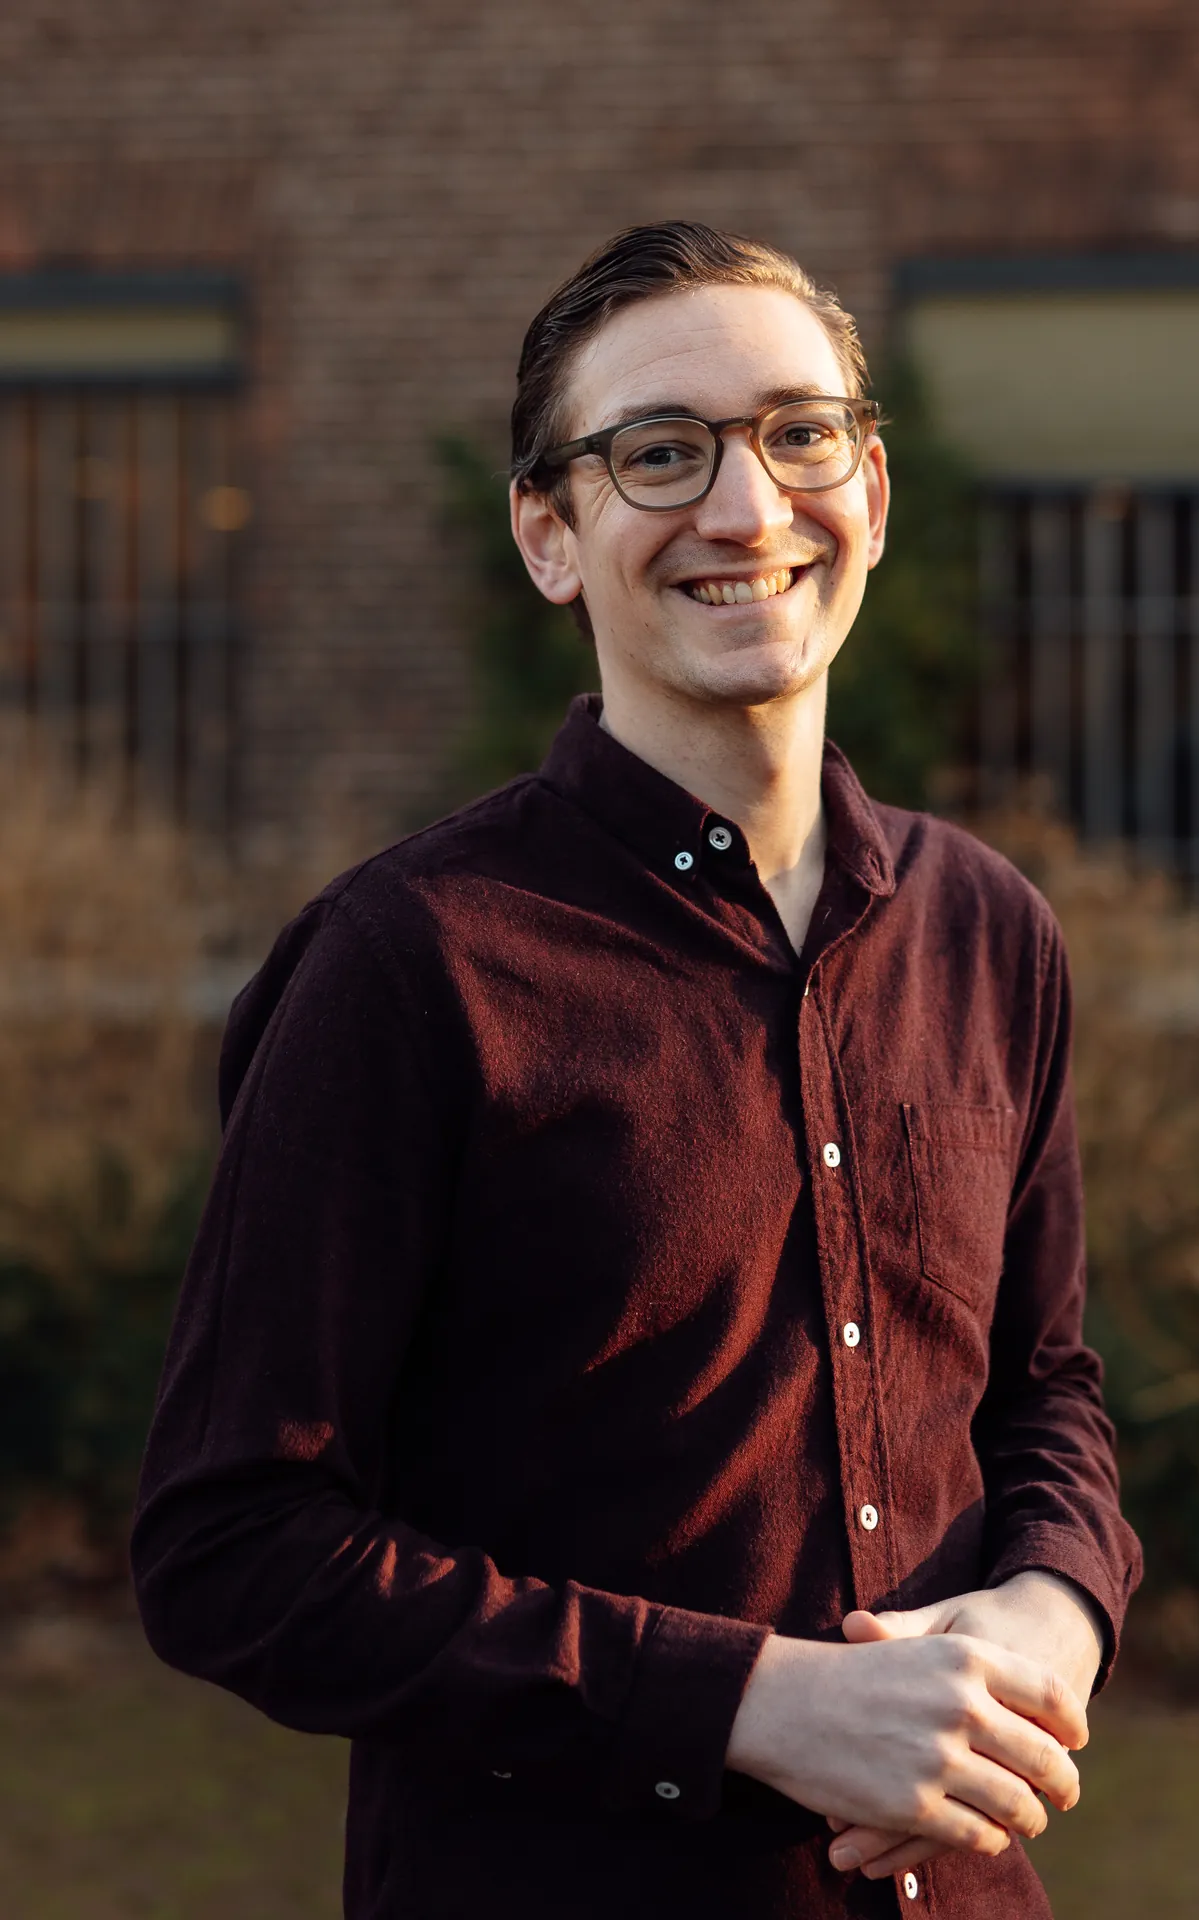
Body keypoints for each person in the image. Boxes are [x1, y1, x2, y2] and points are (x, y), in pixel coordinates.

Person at [132, 221, 1141, 1919]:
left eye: (799, 434)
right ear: (549, 535)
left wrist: (1059, 1602)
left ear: (872, 494)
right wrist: (752, 1704)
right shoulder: (408, 963)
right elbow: (235, 1549)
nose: (746, 510)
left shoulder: (990, 930)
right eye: (659, 454)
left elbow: (1045, 1394)